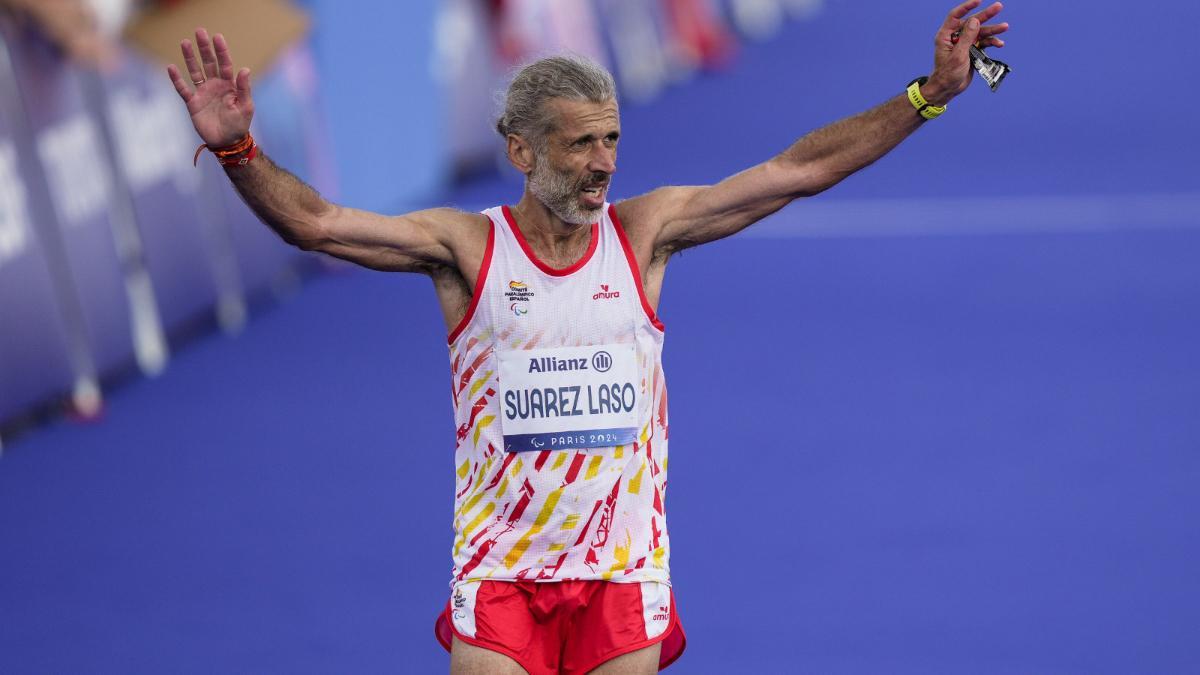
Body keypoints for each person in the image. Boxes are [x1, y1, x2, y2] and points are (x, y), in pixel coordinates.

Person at [167, 2, 1009, 672]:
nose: (605, 164)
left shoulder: (647, 233)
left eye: (611, 139)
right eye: (580, 146)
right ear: (520, 150)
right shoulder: (466, 249)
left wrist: (924, 95)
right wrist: (239, 148)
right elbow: (316, 225)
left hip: (622, 574)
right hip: (500, 573)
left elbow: (799, 170)